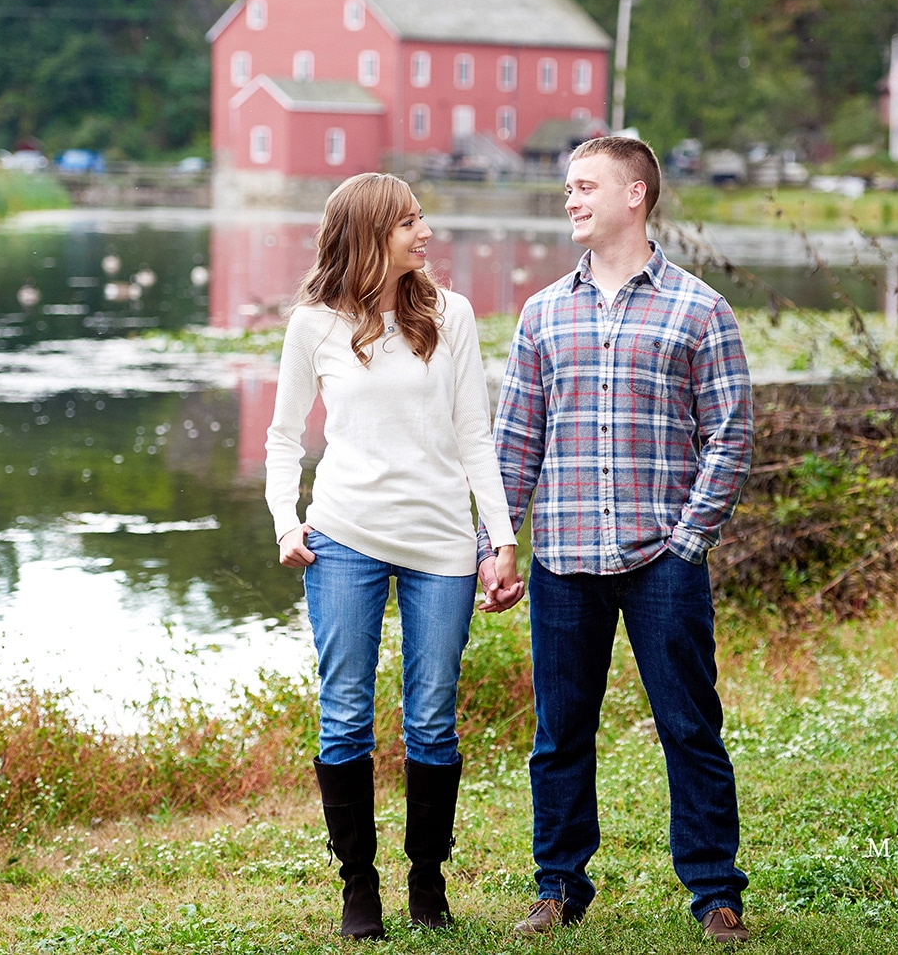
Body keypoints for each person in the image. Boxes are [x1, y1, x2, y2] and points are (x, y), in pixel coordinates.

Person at [484, 136, 755, 944]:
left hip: (661, 563)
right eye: (568, 188)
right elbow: (514, 445)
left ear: (634, 195)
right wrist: (500, 545)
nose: (570, 200)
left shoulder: (701, 309)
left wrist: (688, 538)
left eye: (584, 186)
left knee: (689, 728)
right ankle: (559, 885)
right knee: (559, 735)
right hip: (563, 562)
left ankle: (715, 891)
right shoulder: (541, 313)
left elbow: (731, 435)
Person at [266, 173, 526, 940]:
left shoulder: (453, 315)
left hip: (442, 543)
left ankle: (427, 881)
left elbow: (474, 436)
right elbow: (284, 436)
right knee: (344, 715)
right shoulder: (313, 323)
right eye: (410, 220)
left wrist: (500, 539)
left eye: (422, 217)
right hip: (343, 537)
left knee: (432, 720)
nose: (426, 231)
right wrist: (287, 521)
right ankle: (359, 889)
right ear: (372, 231)